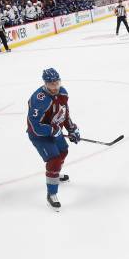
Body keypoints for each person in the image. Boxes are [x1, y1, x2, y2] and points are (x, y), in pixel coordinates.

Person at [26, 68, 81, 210]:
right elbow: (34, 125)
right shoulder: (39, 99)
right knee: (54, 159)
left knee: (64, 150)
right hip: (39, 136)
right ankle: (51, 194)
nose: (55, 87)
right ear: (45, 84)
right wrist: (52, 130)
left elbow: (64, 114)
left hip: (55, 132)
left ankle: (54, 174)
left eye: (57, 82)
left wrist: (72, 129)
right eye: (52, 84)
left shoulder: (63, 93)